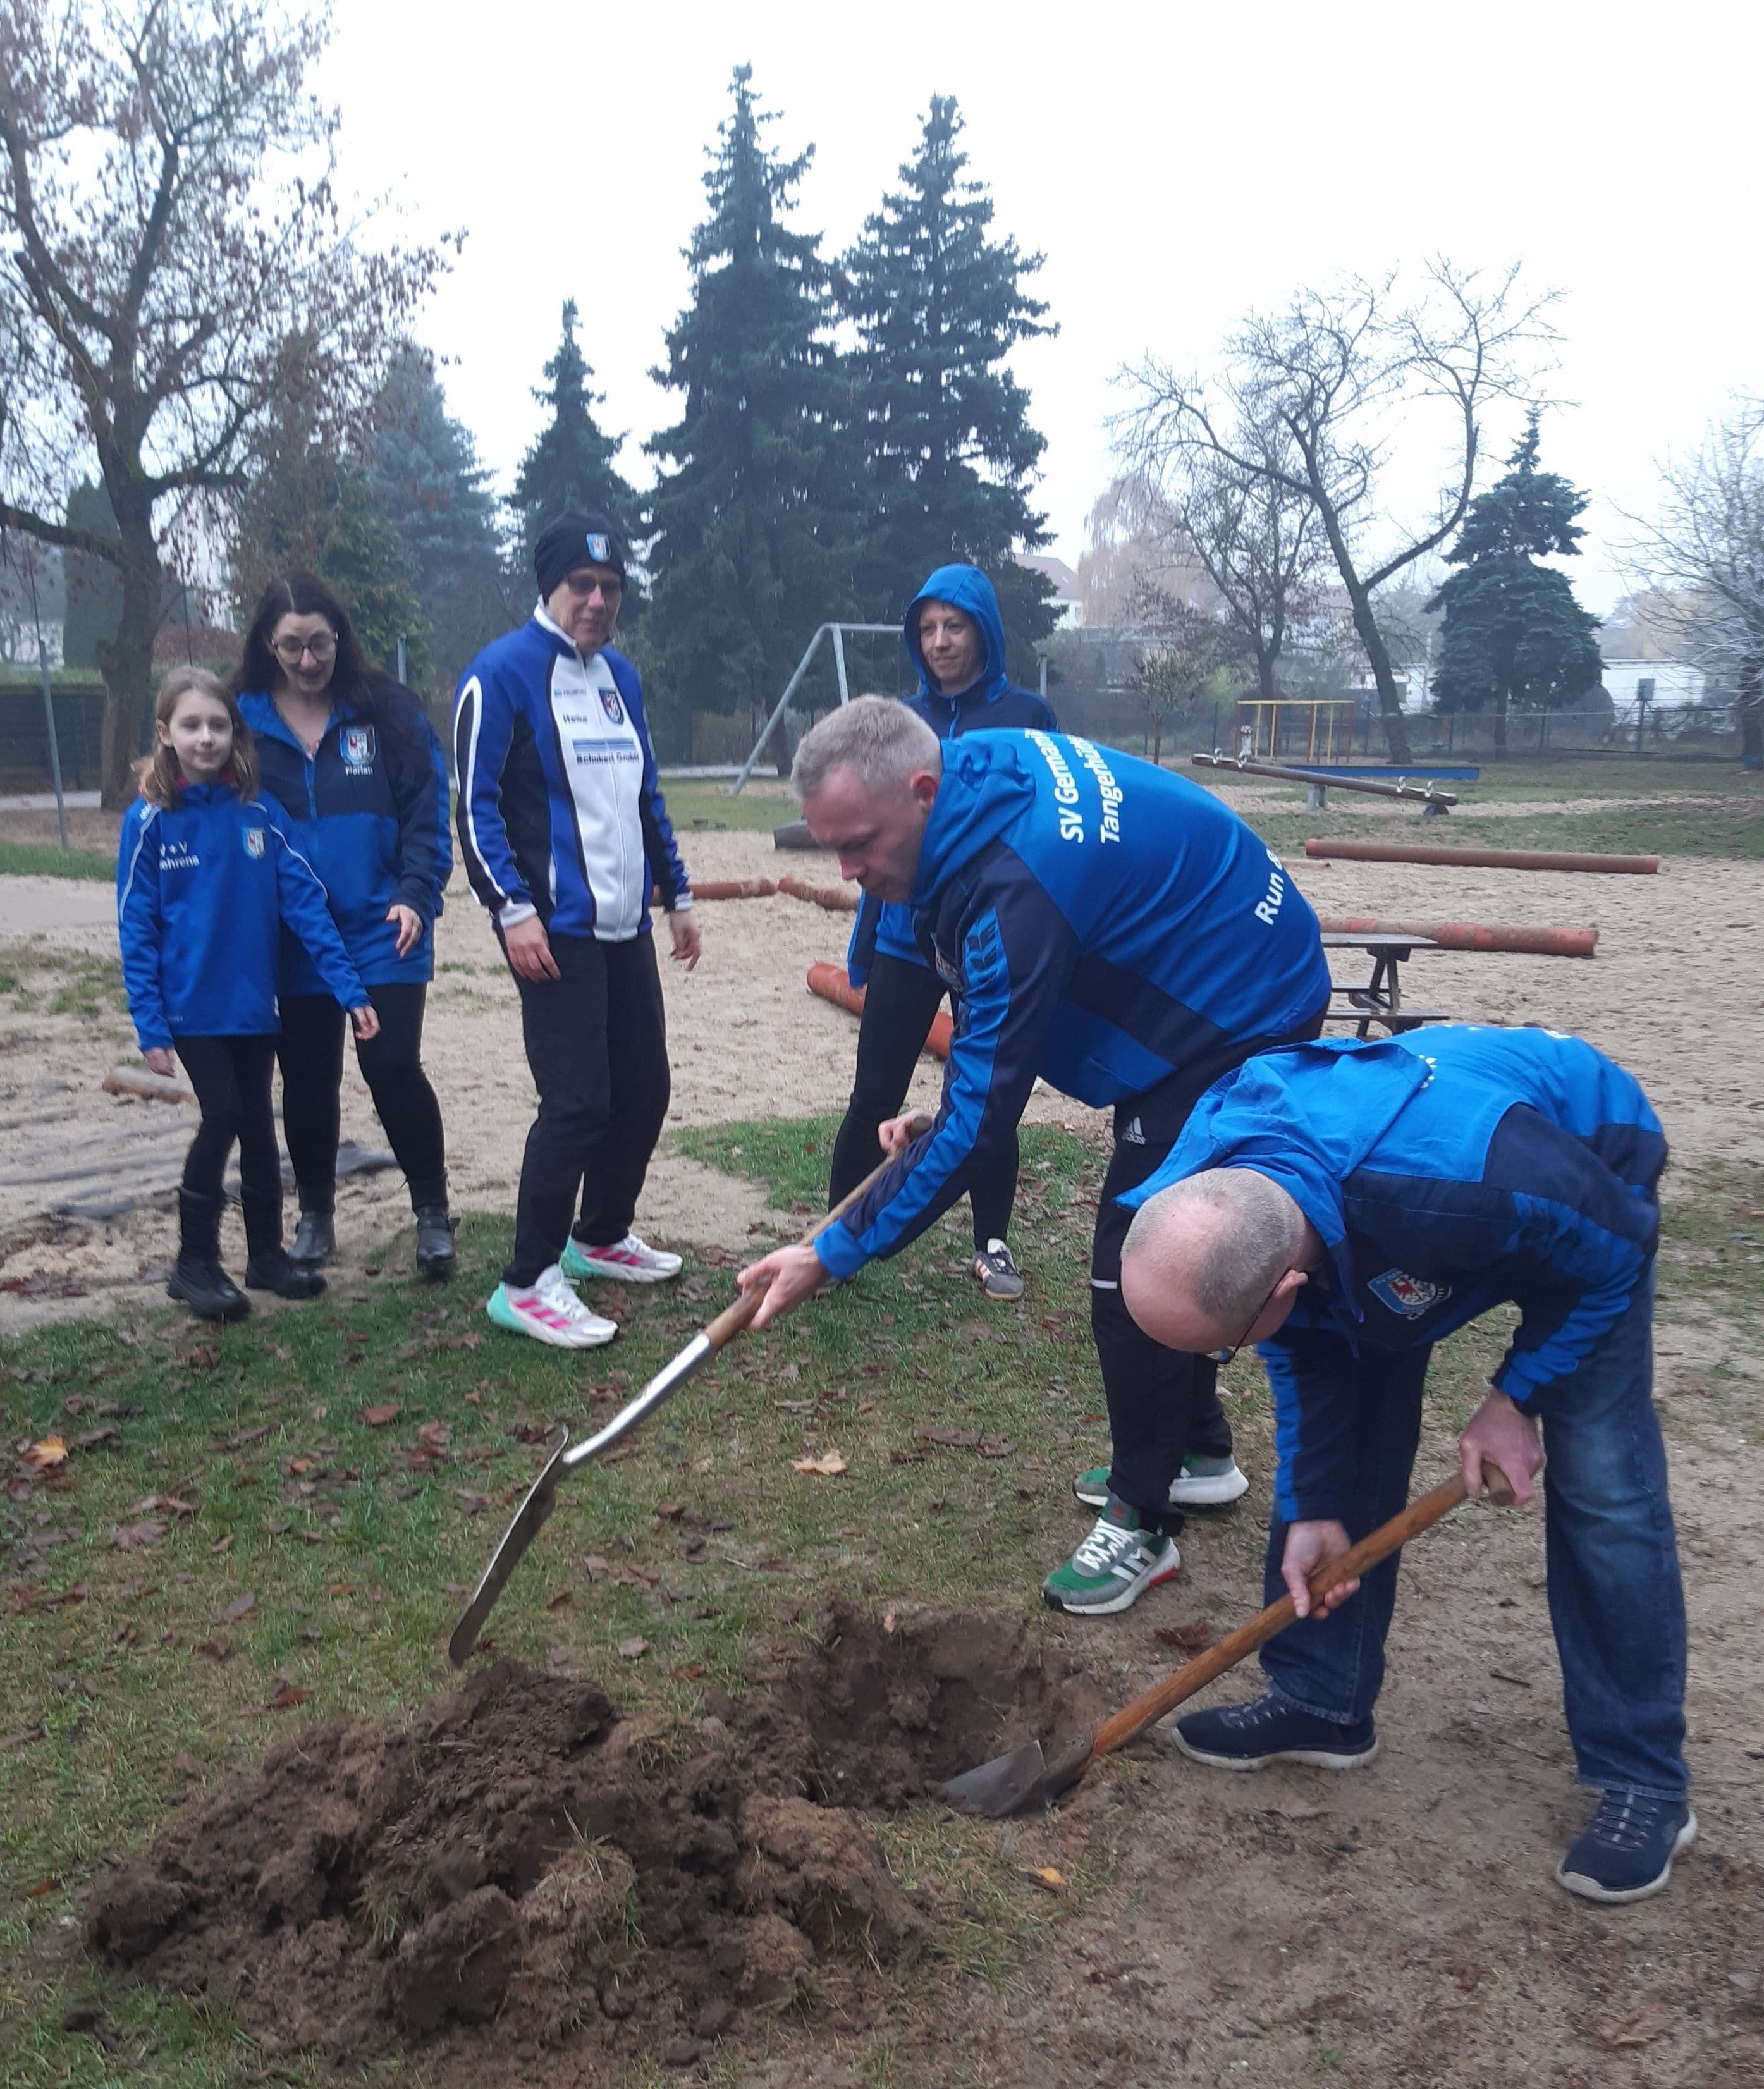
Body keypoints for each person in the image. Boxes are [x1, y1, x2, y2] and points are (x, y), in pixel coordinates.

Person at [740, 695, 1332, 1615]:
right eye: (832, 851)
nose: (850, 873)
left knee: (1137, 1266)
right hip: (1211, 954)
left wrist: (831, 1250)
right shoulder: (971, 789)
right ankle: (1200, 1451)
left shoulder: (1019, 880)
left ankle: (1143, 1523)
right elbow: (983, 1048)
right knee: (1135, 1241)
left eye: (858, 844)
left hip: (1240, 1006)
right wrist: (946, 1122)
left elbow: (985, 1119)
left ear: (924, 789)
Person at [1115, 1025, 1690, 1904]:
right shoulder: (1220, 1174)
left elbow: (1618, 1249)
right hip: (1372, 1222)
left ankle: (1642, 1776)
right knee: (1343, 1446)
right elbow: (1306, 1353)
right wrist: (1313, 1505)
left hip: (1586, 1177)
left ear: (1280, 1292)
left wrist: (1515, 1397)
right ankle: (1322, 1700)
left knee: (1604, 1484)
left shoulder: (1463, 1183)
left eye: (1222, 1350)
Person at [453, 511, 701, 1351]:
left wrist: (678, 894)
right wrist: (510, 909)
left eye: (611, 588)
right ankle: (527, 1281)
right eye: (581, 587)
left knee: (644, 1090)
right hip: (552, 929)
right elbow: (474, 805)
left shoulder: (620, 678)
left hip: (624, 924)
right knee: (578, 1104)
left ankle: (599, 1236)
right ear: (549, 587)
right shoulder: (501, 674)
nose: (597, 601)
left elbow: (645, 794)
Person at [117, 666, 379, 1323]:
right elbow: (136, 927)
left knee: (261, 1124)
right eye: (190, 725)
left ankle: (265, 1254)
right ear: (165, 734)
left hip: (255, 1005)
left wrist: (349, 988)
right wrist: (150, 1026)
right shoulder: (149, 821)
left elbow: (306, 905)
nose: (205, 737)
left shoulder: (260, 814)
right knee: (225, 1114)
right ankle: (194, 1263)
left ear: (236, 732)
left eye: (218, 724)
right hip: (191, 1009)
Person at [829, 565, 1057, 1303]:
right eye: (927, 629)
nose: (939, 642)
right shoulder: (896, 723)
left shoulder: (1028, 715)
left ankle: (991, 1243)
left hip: (994, 941)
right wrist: (865, 941)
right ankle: (832, 1234)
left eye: (954, 626)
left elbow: (1051, 828)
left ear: (984, 630)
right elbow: (873, 836)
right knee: (874, 1096)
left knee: (988, 1095)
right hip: (906, 936)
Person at [236, 572, 456, 1282]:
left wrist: (416, 892)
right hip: (293, 935)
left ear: (341, 638)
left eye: (321, 643)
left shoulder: (386, 711)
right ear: (269, 645)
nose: (308, 660)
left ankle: (431, 1212)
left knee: (391, 1065)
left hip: (381, 927)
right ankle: (316, 1219)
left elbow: (428, 809)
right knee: (305, 1079)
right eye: (293, 646)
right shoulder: (240, 721)